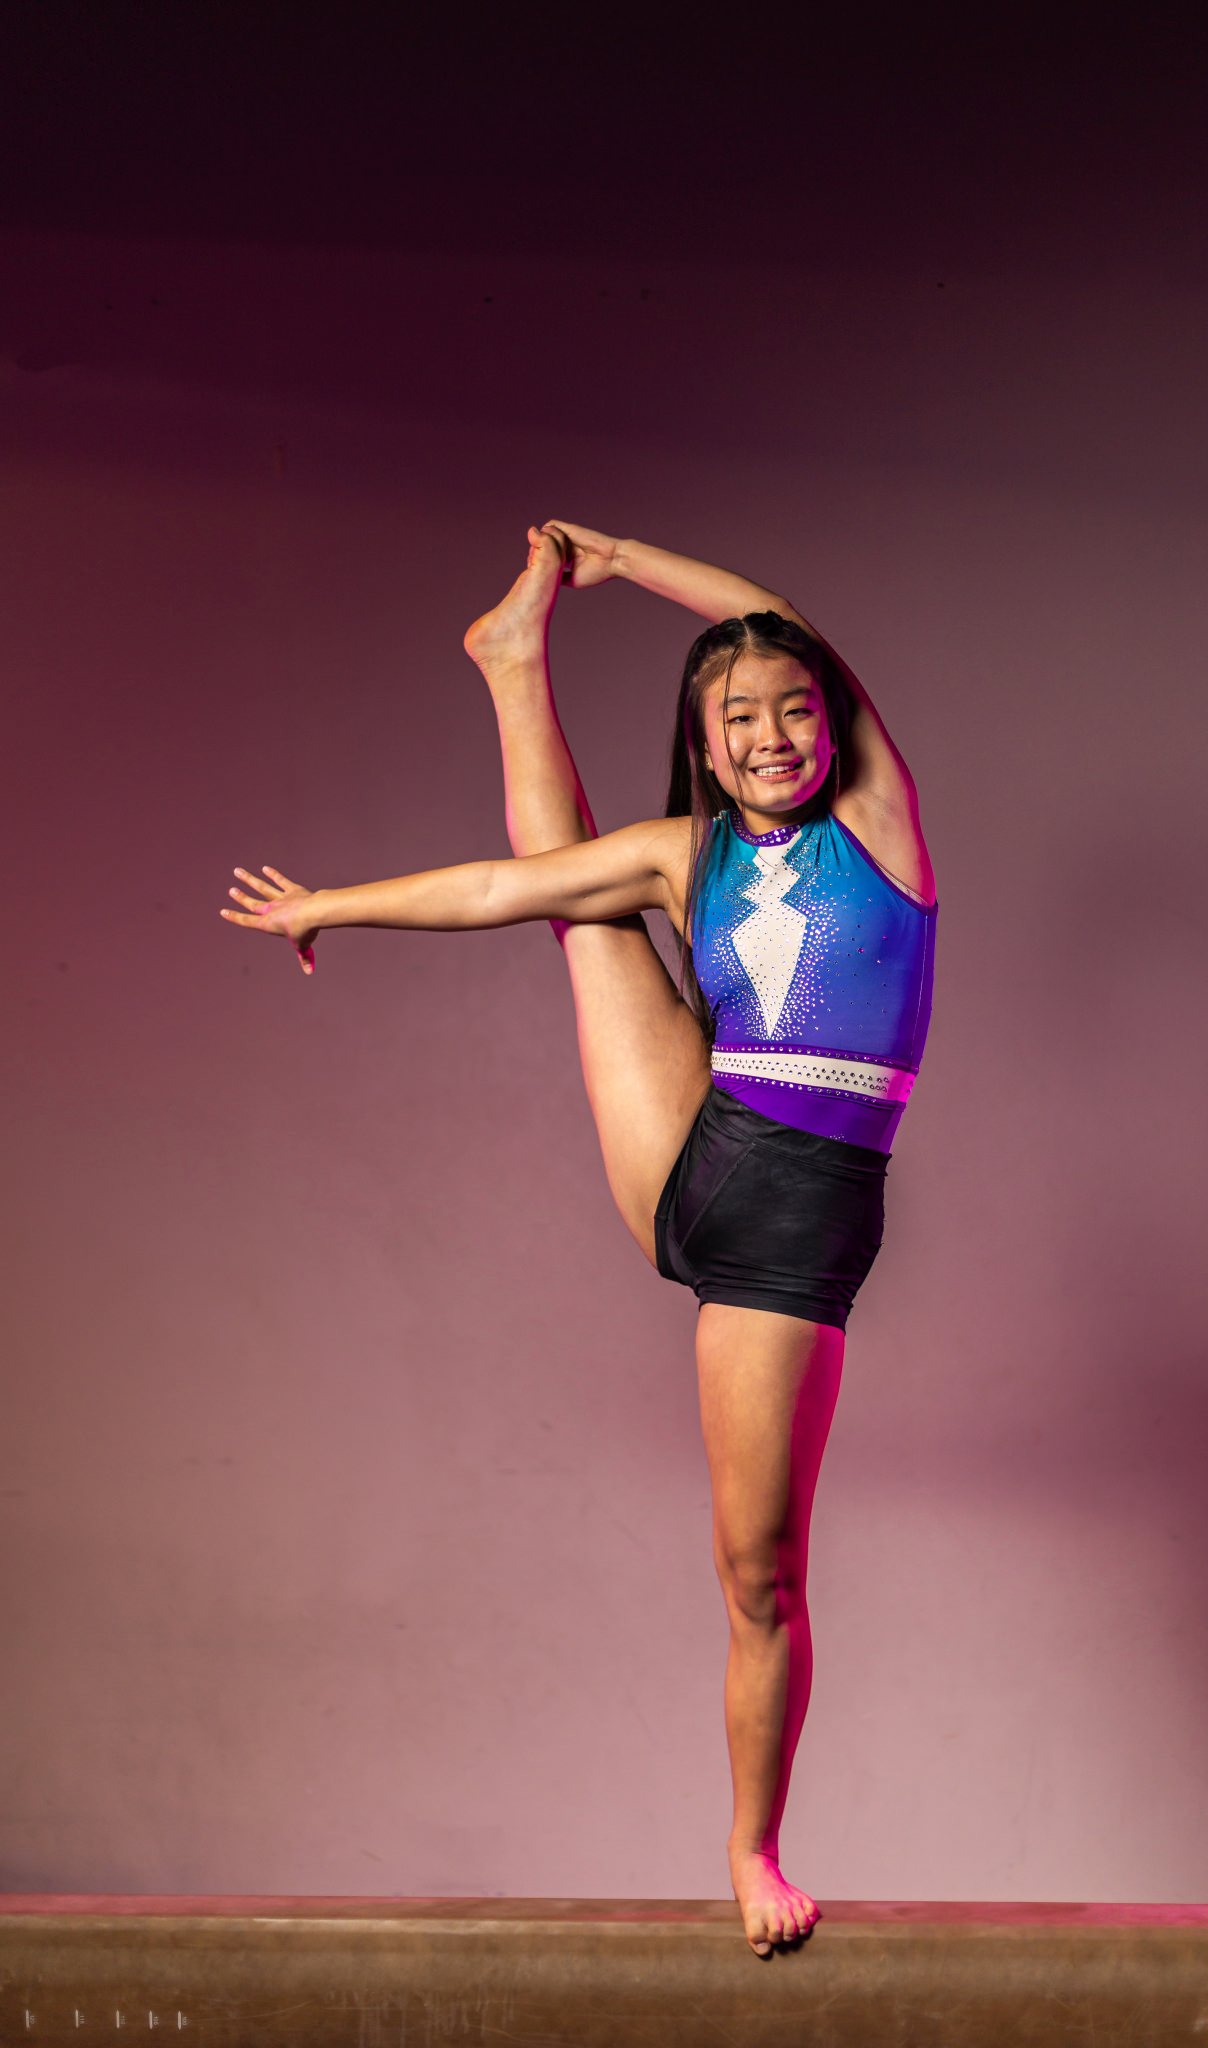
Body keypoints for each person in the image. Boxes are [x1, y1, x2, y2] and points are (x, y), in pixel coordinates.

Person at [220, 522, 938, 1958]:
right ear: (705, 746)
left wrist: (622, 557)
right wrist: (329, 906)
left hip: (787, 1236)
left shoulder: (878, 825)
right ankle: (512, 662)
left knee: (761, 1573)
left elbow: (781, 617)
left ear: (831, 723)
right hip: (700, 1148)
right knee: (573, 905)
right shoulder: (691, 856)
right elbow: (501, 889)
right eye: (739, 719)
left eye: (795, 710)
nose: (773, 735)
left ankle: (752, 1845)